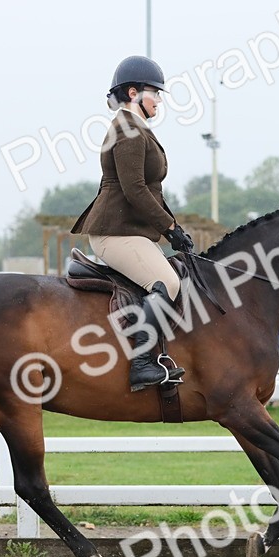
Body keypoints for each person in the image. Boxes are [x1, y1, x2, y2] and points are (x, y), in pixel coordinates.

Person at [71, 55, 192, 392]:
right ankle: (141, 364)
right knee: (167, 283)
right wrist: (169, 229)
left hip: (129, 230)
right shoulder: (127, 129)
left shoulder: (136, 128)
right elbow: (135, 189)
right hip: (115, 232)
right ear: (134, 92)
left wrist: (174, 227)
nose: (160, 100)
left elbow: (149, 189)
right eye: (156, 93)